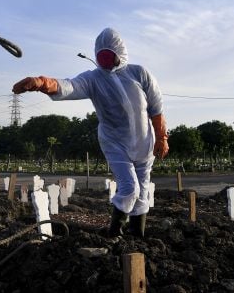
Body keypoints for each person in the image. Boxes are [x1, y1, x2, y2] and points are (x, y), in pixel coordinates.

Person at [12, 27, 169, 238]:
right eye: (101, 54)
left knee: (142, 191)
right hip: (116, 143)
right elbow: (69, 86)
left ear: (119, 53)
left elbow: (156, 108)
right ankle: (114, 233)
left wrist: (162, 137)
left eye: (109, 53)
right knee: (129, 188)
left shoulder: (139, 73)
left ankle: (137, 236)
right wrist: (43, 83)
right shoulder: (93, 79)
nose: (103, 58)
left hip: (144, 143)